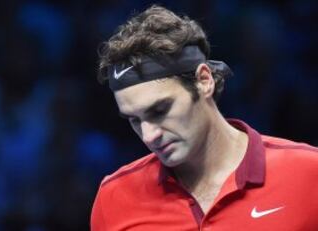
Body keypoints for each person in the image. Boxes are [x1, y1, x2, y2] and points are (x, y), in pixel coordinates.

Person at [91, 5, 318, 231]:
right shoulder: (114, 198)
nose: (149, 136)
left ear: (203, 81)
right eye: (135, 120)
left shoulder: (309, 174)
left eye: (160, 110)